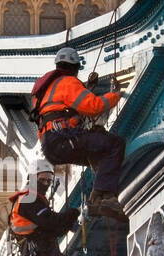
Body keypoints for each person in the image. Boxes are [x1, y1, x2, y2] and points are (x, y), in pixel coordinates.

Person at [31, 44, 127, 223]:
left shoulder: (44, 92)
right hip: (62, 140)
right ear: (75, 67)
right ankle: (103, 198)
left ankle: (99, 200)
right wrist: (115, 95)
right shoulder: (68, 82)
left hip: (51, 146)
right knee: (114, 144)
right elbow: (94, 107)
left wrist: (87, 89)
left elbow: (64, 115)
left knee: (98, 151)